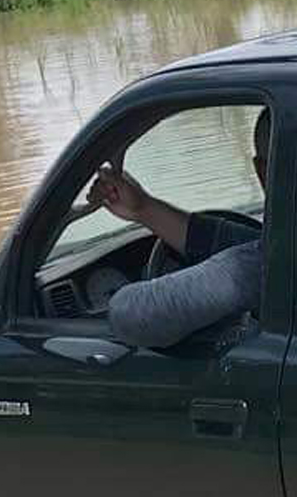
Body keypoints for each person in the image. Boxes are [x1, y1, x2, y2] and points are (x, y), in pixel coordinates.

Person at [89, 108, 269, 350]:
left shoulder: (273, 267)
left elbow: (129, 315)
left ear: (263, 171)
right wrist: (143, 208)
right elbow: (246, 244)